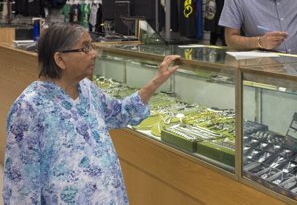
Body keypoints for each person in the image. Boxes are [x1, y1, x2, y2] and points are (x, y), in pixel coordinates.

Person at [3, 23, 180, 204]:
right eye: (85, 48)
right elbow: (20, 188)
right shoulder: (28, 108)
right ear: (60, 59)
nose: (94, 54)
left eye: (92, 46)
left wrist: (156, 82)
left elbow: (120, 112)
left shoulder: (87, 89)